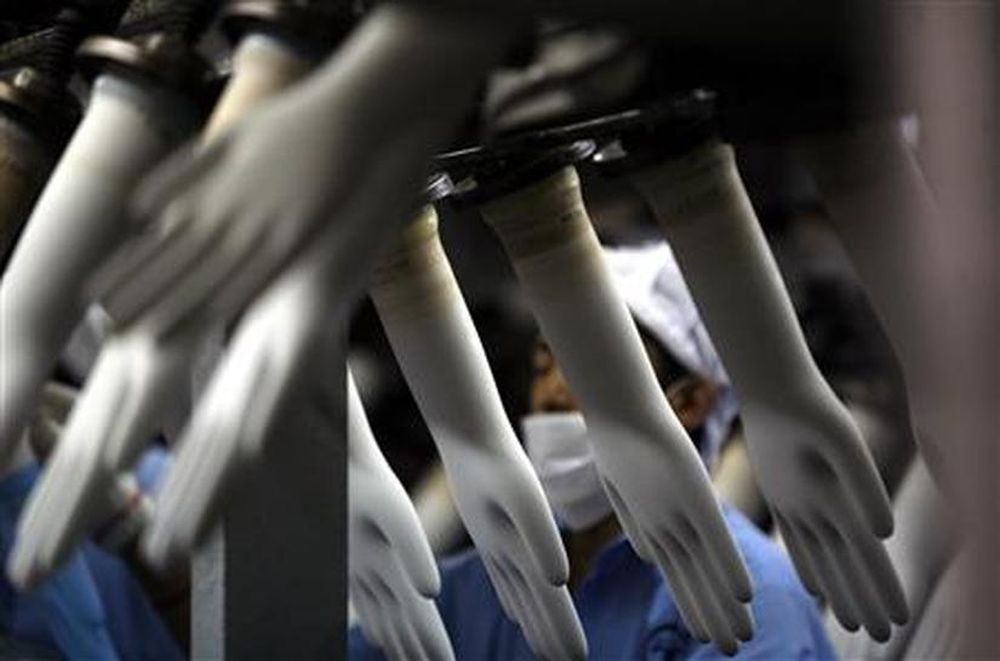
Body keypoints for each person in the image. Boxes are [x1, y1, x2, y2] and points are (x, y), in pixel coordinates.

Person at [349, 241, 835, 659]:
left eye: (586, 366)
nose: (551, 395)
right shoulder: (501, 579)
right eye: (544, 363)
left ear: (689, 400)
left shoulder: (752, 599)